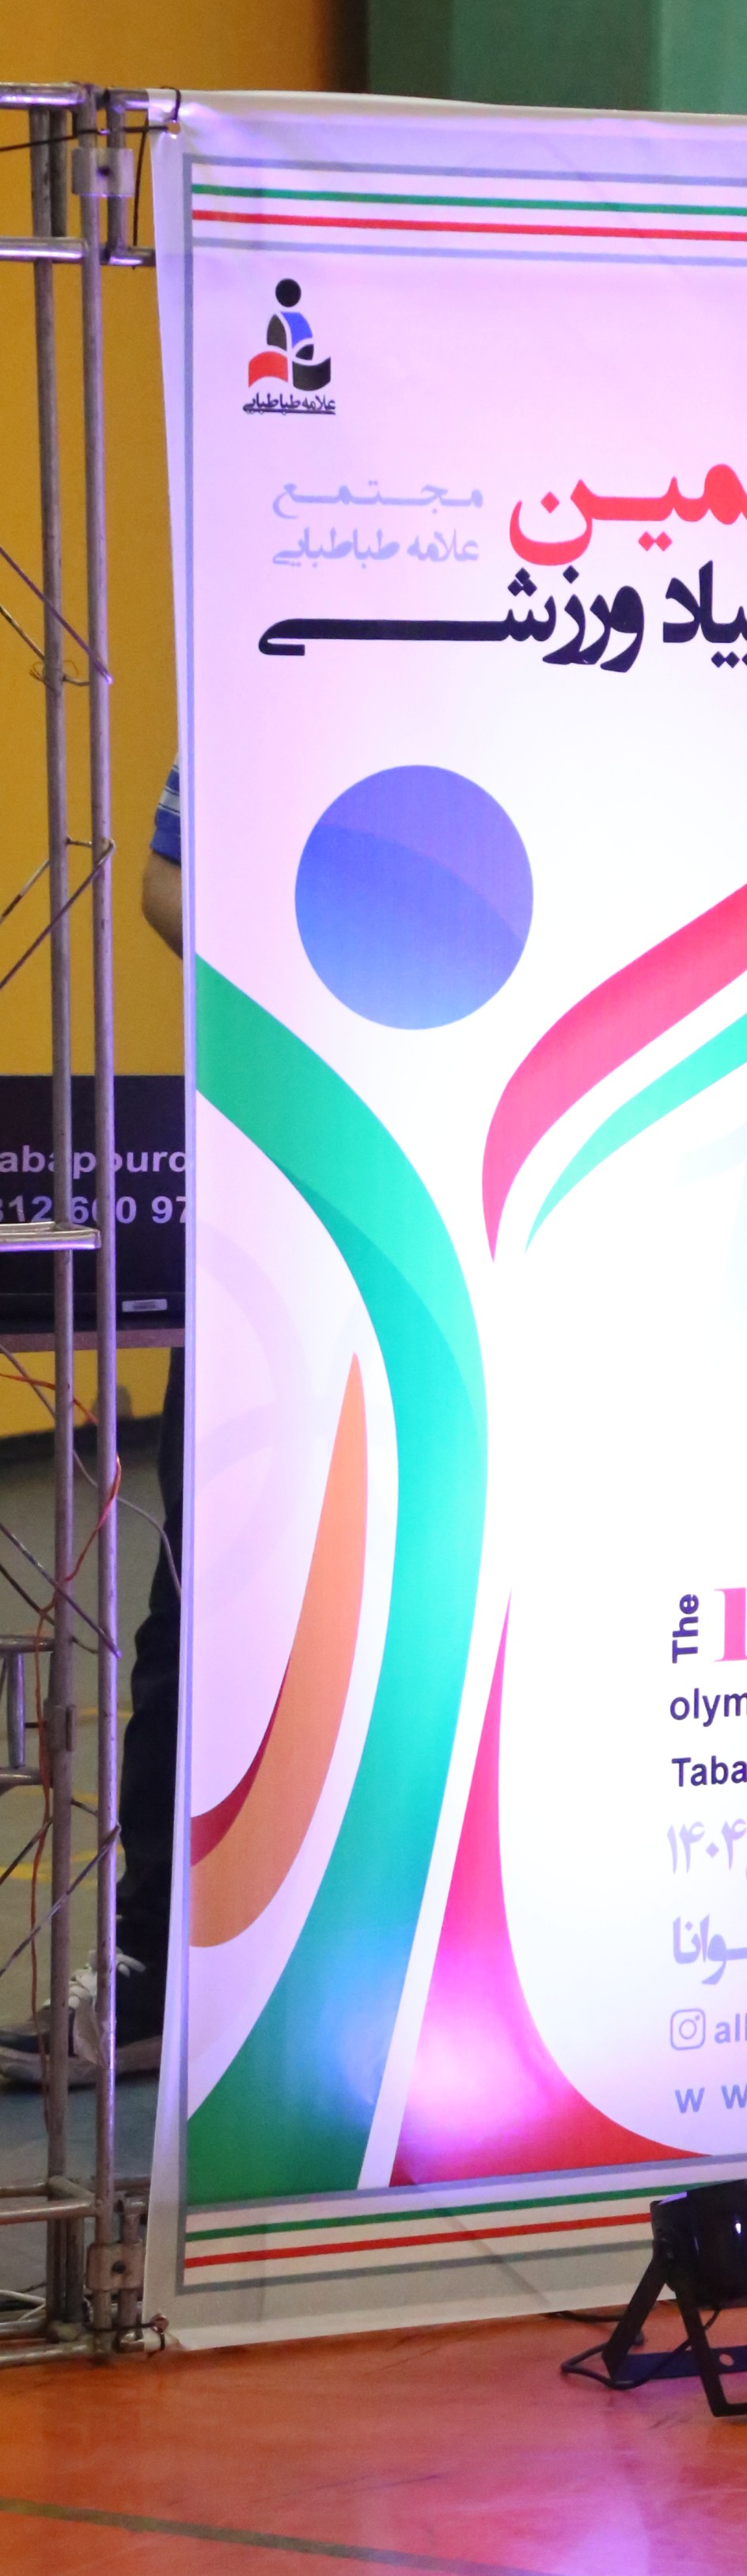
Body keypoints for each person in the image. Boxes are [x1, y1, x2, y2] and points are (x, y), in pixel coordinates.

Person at [0, 768, 183, 2085]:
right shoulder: (271, 670)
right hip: (305, 1168)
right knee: (202, 1619)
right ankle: (148, 1968)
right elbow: (166, 882)